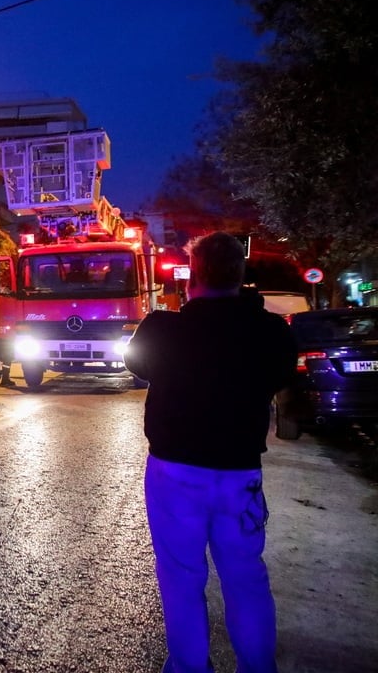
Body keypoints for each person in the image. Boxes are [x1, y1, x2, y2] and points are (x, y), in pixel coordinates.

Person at [125, 232, 296, 673]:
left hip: (174, 471)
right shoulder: (271, 331)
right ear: (240, 275)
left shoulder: (163, 327)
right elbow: (280, 376)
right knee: (246, 578)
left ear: (192, 277)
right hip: (240, 475)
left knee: (181, 578)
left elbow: (137, 364)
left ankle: (188, 667)